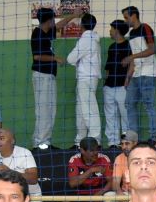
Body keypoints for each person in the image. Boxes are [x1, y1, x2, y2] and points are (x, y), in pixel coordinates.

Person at [30, 8, 74, 150]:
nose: (55, 22)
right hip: (42, 75)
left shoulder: (47, 31)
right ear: (49, 20)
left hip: (48, 76)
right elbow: (37, 56)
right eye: (53, 19)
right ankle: (40, 143)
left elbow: (60, 25)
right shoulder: (38, 34)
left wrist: (74, 15)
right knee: (44, 110)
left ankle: (45, 142)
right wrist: (55, 58)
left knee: (50, 109)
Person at [121, 6, 156, 141]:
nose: (125, 20)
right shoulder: (131, 34)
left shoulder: (145, 28)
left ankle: (153, 137)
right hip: (136, 74)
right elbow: (134, 58)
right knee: (129, 103)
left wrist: (132, 57)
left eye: (126, 17)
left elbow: (152, 49)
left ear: (134, 16)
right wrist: (128, 77)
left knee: (149, 105)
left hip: (149, 73)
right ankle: (133, 137)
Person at [66, 13, 103, 146]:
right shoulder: (94, 39)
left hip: (85, 77)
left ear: (81, 25)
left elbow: (70, 58)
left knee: (89, 109)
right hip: (90, 77)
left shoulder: (85, 40)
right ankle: (80, 140)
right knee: (81, 109)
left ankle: (95, 139)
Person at [103, 19, 134, 149]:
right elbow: (108, 68)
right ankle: (113, 142)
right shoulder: (111, 47)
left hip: (123, 86)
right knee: (110, 115)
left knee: (125, 115)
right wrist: (105, 83)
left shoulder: (128, 45)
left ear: (117, 30)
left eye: (111, 29)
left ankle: (126, 142)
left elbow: (132, 64)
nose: (110, 31)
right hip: (109, 86)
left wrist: (127, 80)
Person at [65, 137, 111, 202]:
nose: (95, 153)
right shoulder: (74, 160)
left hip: (97, 191)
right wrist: (90, 171)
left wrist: (100, 193)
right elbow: (72, 183)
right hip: (80, 192)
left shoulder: (104, 159)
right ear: (82, 151)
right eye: (92, 151)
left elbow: (111, 182)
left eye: (96, 150)